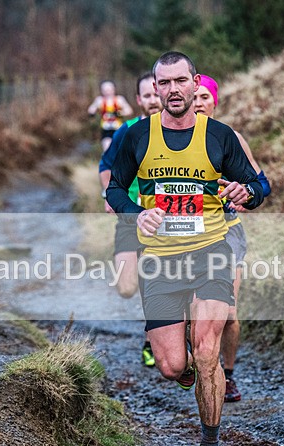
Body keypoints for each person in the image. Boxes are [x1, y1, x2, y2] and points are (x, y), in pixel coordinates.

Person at [106, 51, 264, 446]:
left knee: (207, 350)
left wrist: (245, 192)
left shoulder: (220, 136)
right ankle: (193, 371)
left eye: (181, 81)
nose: (174, 90)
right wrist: (138, 214)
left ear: (196, 85)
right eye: (165, 83)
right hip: (159, 261)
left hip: (211, 253)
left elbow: (260, 183)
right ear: (154, 91)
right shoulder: (136, 137)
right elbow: (115, 190)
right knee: (173, 366)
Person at [193, 75, 272, 403]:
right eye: (193, 97)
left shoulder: (230, 138)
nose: (198, 103)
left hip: (227, 230)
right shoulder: (170, 138)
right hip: (187, 231)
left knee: (228, 311)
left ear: (215, 102)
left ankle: (228, 374)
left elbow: (260, 183)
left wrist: (246, 193)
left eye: (204, 98)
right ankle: (198, 365)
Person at [98, 72, 162, 368]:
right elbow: (106, 165)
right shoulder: (128, 131)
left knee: (158, 280)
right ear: (138, 100)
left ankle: (154, 339)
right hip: (129, 216)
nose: (153, 99)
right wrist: (108, 195)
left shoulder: (182, 131)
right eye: (146, 95)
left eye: (156, 92)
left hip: (165, 220)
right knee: (126, 287)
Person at [87, 80, 134, 151]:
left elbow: (129, 111)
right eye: (105, 90)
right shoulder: (100, 100)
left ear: (114, 89)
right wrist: (92, 112)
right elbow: (91, 109)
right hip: (106, 129)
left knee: (120, 149)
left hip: (118, 128)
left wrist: (119, 113)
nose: (107, 92)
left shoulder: (119, 99)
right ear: (102, 91)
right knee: (107, 149)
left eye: (109, 90)